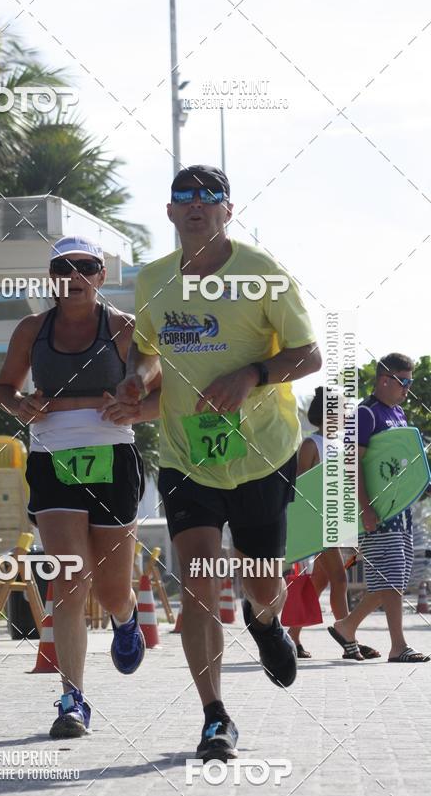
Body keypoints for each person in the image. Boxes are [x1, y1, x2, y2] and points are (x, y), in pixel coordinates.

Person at [116, 165, 322, 761]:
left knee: (262, 581)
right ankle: (214, 717)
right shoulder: (154, 280)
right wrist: (135, 380)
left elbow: (308, 354)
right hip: (186, 457)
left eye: (210, 197)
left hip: (261, 453)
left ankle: (265, 625)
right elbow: (147, 354)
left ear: (228, 210)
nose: (197, 206)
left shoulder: (263, 274)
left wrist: (252, 373)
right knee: (199, 583)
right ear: (172, 212)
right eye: (185, 197)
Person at [0, 236, 161, 739]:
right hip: (51, 456)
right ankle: (72, 699)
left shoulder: (123, 329)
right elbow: (5, 387)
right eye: (64, 268)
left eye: (86, 267)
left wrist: (134, 403)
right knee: (69, 576)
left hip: (113, 455)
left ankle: (126, 617)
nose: (75, 276)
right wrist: (19, 405)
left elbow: (158, 391)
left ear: (101, 275)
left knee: (111, 590)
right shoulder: (32, 329)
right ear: (52, 277)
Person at [329, 353, 429, 663]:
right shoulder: (365, 414)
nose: (408, 389)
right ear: (384, 380)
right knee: (391, 576)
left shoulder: (398, 413)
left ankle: (348, 626)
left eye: (410, 382)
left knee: (395, 577)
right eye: (404, 382)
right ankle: (396, 645)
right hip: (377, 511)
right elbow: (351, 464)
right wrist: (365, 507)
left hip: (400, 512)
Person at [288, 387, 379, 660]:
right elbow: (300, 487)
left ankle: (290, 637)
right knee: (339, 579)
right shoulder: (310, 444)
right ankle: (349, 641)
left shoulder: (342, 444)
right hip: (318, 524)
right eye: (342, 409)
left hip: (341, 522)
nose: (347, 414)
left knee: (319, 581)